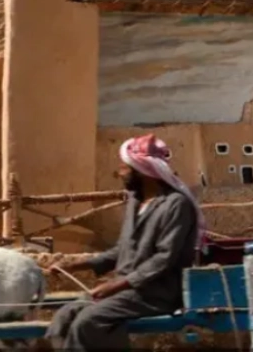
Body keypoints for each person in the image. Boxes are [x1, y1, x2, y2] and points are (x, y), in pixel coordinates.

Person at [46, 134, 207, 351]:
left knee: (89, 321)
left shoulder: (176, 205)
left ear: (142, 171)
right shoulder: (135, 202)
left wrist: (116, 285)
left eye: (124, 168)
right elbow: (122, 250)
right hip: (128, 292)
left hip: (157, 294)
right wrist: (74, 266)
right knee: (64, 317)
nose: (119, 174)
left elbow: (163, 259)